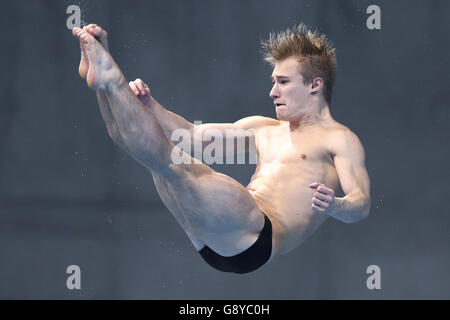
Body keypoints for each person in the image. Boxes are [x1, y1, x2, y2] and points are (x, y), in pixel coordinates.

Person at [72, 23, 371, 274]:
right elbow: (189, 135)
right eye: (273, 81)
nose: (273, 91)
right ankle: (103, 79)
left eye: (282, 82)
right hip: (213, 235)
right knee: (157, 160)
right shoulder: (262, 128)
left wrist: (337, 206)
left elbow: (361, 204)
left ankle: (111, 80)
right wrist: (150, 105)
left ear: (314, 85)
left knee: (170, 164)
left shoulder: (339, 139)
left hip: (258, 238)